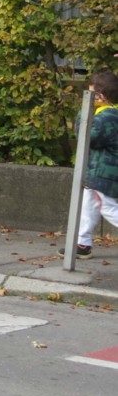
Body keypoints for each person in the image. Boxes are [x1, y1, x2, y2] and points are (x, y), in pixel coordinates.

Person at [59, 71, 118, 259]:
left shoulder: (105, 118)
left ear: (100, 97)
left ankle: (82, 242)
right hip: (102, 171)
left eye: (91, 93)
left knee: (107, 207)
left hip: (104, 173)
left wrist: (83, 111)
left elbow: (86, 136)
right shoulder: (112, 112)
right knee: (89, 204)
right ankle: (82, 243)